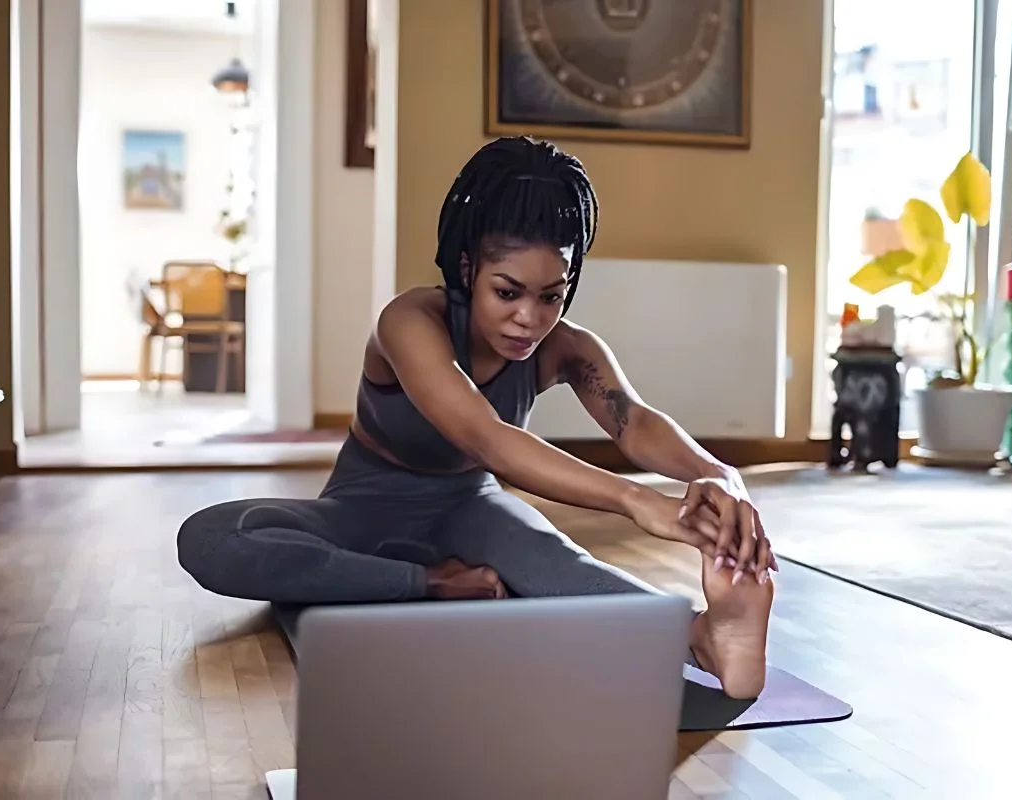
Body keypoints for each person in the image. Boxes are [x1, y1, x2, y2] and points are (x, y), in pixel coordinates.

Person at [178, 136, 776, 699]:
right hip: (360, 512)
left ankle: (704, 637)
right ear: (468, 271)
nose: (530, 318)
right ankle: (428, 582)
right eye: (508, 291)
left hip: (471, 513)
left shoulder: (568, 348)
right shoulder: (409, 323)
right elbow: (487, 436)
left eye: (551, 295)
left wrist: (717, 472)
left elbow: (634, 422)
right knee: (212, 538)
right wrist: (637, 500)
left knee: (560, 564)